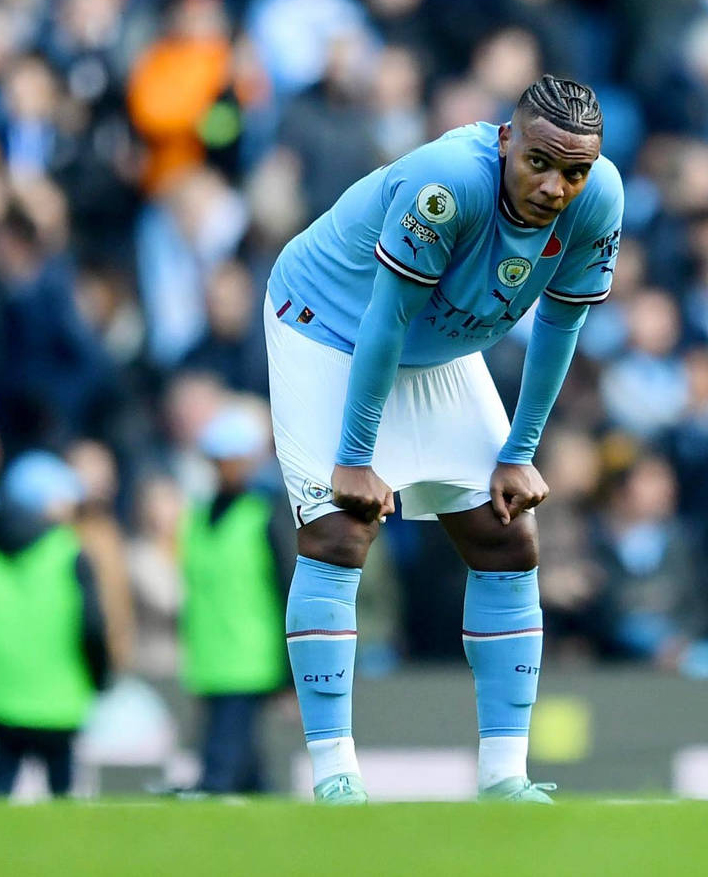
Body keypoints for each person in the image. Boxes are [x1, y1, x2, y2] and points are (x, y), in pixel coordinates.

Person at [264, 75, 623, 803]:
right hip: (329, 328)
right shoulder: (447, 183)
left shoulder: (601, 200)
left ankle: (503, 778)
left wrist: (520, 454)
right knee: (339, 531)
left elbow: (560, 326)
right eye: (540, 163)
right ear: (504, 140)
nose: (556, 187)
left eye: (574, 171)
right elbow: (383, 321)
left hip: (441, 345)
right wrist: (357, 459)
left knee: (506, 534)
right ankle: (335, 776)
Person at [0, 451, 108, 796]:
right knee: (63, 794)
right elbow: (92, 626)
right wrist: (99, 677)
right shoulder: (68, 552)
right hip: (60, 698)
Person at [178, 403, 291, 793]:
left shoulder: (267, 514)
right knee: (247, 770)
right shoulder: (197, 516)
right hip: (210, 658)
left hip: (249, 658)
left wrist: (291, 671)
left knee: (221, 767)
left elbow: (286, 588)